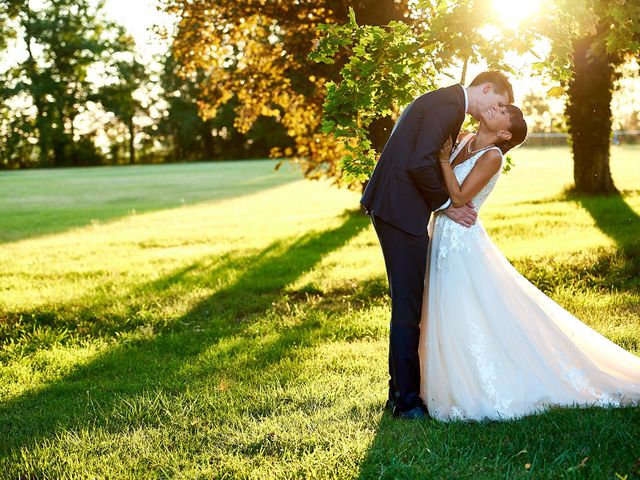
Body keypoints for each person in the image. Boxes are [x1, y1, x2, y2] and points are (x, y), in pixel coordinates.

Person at [419, 104, 640, 421]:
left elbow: (459, 197)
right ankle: (442, 381)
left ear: (505, 132)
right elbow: (440, 189)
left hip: (461, 240)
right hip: (441, 232)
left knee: (462, 308)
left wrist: (442, 160)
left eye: (502, 111)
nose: (495, 107)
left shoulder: (493, 157)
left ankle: (475, 384)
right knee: (444, 307)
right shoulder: (463, 138)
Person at [361, 71, 514, 419]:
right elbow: (419, 163)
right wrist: (447, 205)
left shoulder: (448, 105)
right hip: (400, 210)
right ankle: (406, 402)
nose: (499, 108)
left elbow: (426, 158)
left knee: (408, 305)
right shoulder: (448, 106)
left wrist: (447, 199)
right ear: (487, 88)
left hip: (397, 208)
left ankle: (398, 393)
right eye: (500, 102)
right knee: (407, 307)